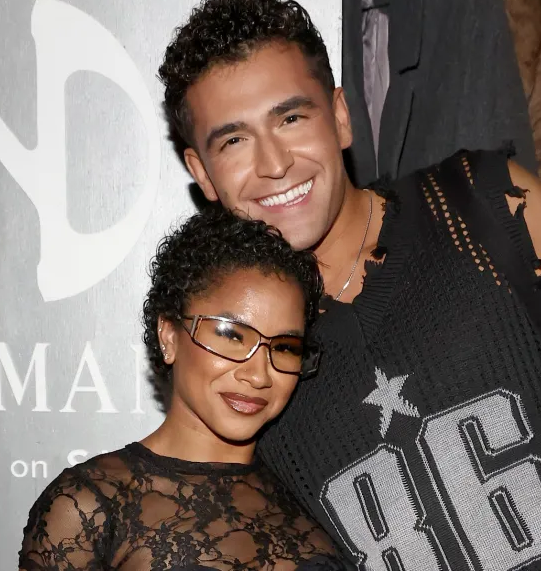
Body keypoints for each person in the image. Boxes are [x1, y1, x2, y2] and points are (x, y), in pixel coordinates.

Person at [157, 0, 541, 570]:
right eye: (235, 140)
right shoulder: (240, 360)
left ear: (340, 117)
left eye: (291, 118)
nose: (274, 164)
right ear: (203, 174)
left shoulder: (483, 203)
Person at [18, 208, 348, 570]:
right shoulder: (88, 507)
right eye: (231, 336)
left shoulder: (317, 497)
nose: (258, 375)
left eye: (284, 347)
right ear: (169, 336)